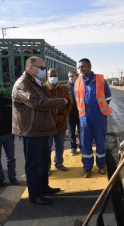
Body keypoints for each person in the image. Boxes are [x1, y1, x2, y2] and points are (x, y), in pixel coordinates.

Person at [12, 56, 68, 205]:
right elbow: (36, 102)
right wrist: (61, 101)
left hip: (42, 129)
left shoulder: (36, 83)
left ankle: (43, 187)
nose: (44, 71)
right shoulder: (23, 84)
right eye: (42, 68)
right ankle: (35, 194)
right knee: (34, 164)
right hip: (31, 131)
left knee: (43, 162)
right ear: (31, 68)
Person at [75, 58, 112, 178]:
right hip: (84, 117)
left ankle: (101, 165)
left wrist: (100, 108)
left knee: (100, 141)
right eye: (79, 67)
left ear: (90, 67)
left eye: (83, 66)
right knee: (85, 143)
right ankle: (87, 168)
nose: (81, 69)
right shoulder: (78, 81)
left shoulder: (101, 80)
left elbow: (108, 97)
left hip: (99, 116)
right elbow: (77, 98)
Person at [44, 69, 72, 173]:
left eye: (55, 75)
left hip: (61, 123)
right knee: (47, 147)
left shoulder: (64, 89)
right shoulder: (43, 89)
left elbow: (69, 104)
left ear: (58, 76)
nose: (53, 77)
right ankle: (47, 167)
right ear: (47, 76)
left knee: (60, 145)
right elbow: (42, 105)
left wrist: (63, 115)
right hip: (48, 125)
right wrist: (53, 117)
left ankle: (59, 163)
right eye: (51, 75)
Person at [0, 89, 21, 187]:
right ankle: (0, 178)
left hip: (9, 134)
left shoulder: (8, 101)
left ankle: (12, 177)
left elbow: (16, 116)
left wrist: (16, 130)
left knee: (11, 158)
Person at [65, 70, 80, 156]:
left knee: (81, 132)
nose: (71, 78)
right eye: (69, 76)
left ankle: (81, 146)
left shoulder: (80, 85)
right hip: (71, 114)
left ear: (76, 76)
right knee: (71, 132)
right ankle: (73, 147)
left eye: (72, 76)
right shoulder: (66, 87)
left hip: (80, 113)